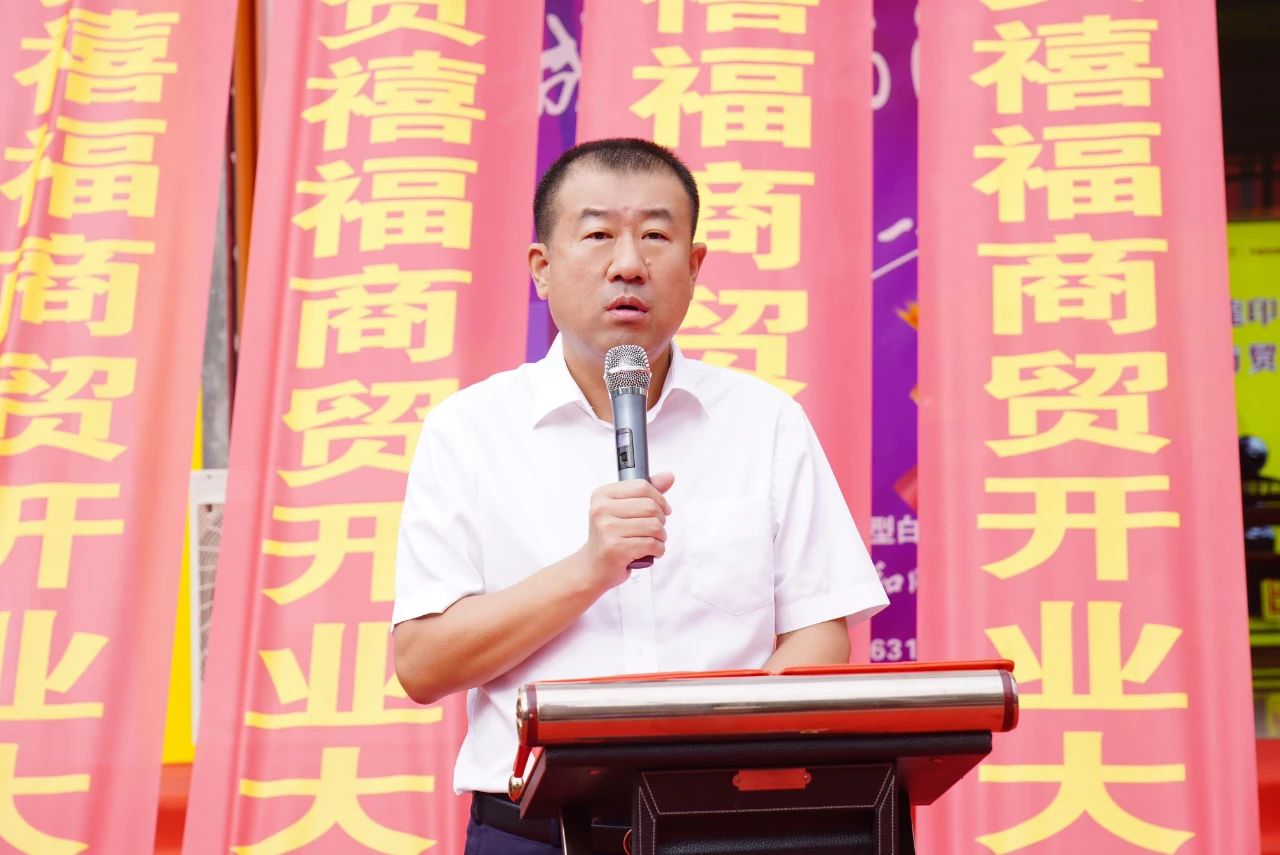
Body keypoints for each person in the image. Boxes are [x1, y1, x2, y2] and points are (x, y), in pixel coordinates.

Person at [391, 138, 888, 854]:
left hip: (730, 825)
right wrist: (588, 569)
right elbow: (423, 663)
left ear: (694, 266)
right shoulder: (468, 430)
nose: (628, 264)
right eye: (597, 235)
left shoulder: (764, 420)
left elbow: (819, 631)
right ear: (542, 267)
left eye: (655, 236)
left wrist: (721, 754)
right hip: (537, 832)